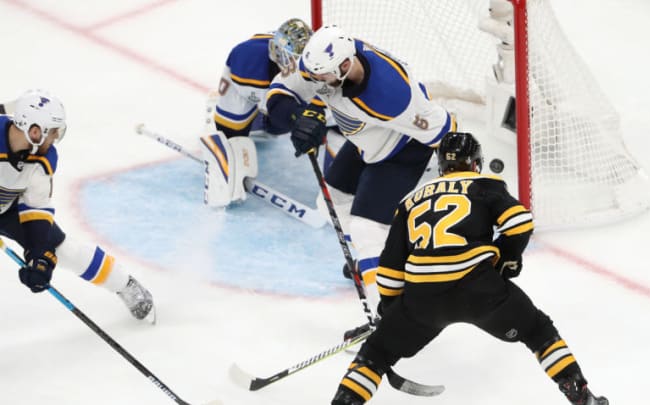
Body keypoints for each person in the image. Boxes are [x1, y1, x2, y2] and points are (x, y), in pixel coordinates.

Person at [330, 132, 609, 405]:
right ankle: (582, 397)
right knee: (538, 332)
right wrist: (506, 259)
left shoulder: (409, 201)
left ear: (441, 166)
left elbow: (390, 269)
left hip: (423, 298)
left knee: (375, 354)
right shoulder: (485, 184)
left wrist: (391, 312)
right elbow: (520, 223)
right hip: (480, 288)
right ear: (476, 163)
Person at [264, 25, 457, 309]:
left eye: (322, 76)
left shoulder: (394, 96)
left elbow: (445, 132)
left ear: (345, 66)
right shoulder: (319, 64)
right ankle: (384, 262)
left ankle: (388, 311)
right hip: (364, 138)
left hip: (403, 147)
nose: (314, 80)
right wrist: (297, 117)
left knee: (366, 228)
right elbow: (280, 92)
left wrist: (464, 185)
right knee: (330, 200)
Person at [1, 89, 155, 321]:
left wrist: (39, 257)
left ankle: (124, 283)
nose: (55, 139)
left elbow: (37, 209)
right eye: (52, 132)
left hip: (8, 208)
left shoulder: (43, 158)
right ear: (34, 132)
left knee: (64, 250)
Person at [201, 18, 313, 207]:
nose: (295, 66)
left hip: (270, 92)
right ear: (276, 53)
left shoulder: (317, 68)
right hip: (243, 89)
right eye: (290, 59)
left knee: (282, 126)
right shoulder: (247, 63)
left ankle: (261, 122)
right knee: (232, 131)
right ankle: (230, 110)